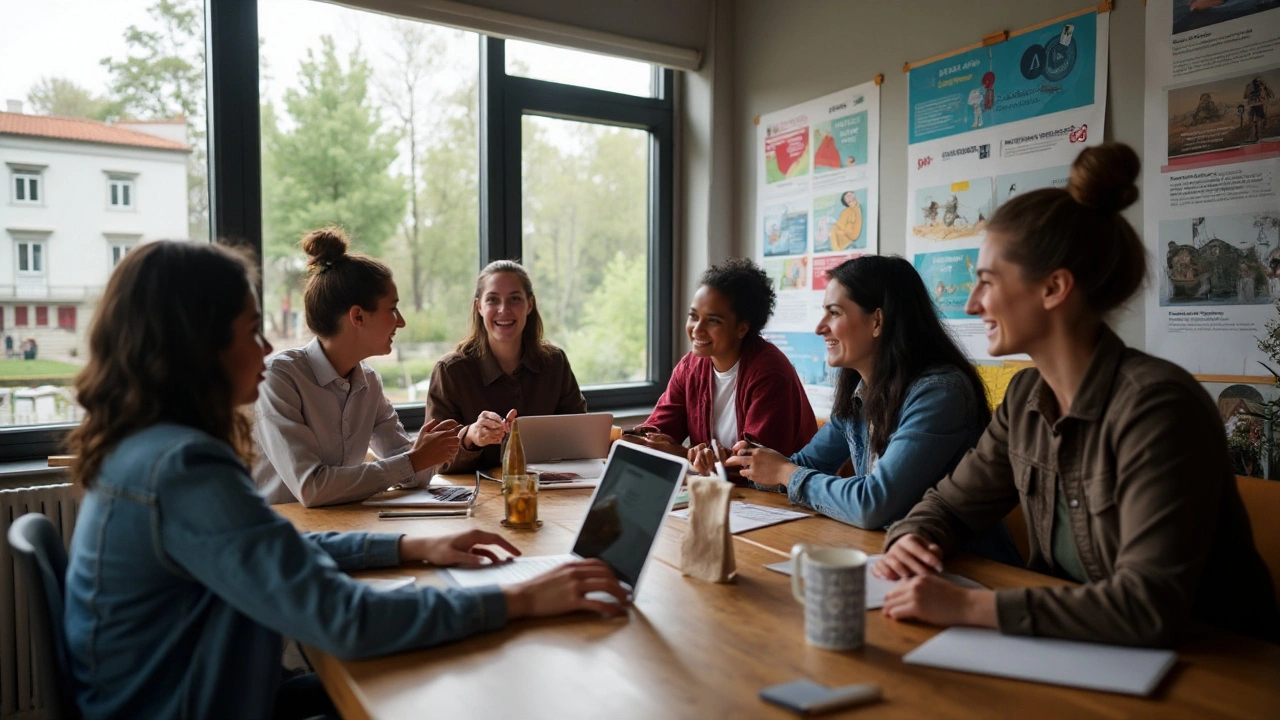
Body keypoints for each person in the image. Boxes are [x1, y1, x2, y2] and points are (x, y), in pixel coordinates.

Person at [62, 240, 628, 720]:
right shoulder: (183, 467)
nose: (264, 348)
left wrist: (412, 544)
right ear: (195, 344)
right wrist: (520, 598)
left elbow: (276, 544)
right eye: (252, 330)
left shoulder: (151, 450)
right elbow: (346, 618)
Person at [874, 143, 1279, 647]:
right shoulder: (1024, 399)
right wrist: (911, 539)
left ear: (1053, 289)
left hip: (1214, 671)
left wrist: (968, 605)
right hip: (1076, 650)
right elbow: (947, 507)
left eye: (986, 282)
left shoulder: (1159, 408)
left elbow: (1147, 606)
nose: (973, 303)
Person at [723, 257, 1015, 556]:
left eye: (833, 313)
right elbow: (805, 465)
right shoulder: (859, 393)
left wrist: (786, 473)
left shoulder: (940, 393)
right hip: (891, 558)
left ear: (877, 321)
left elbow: (873, 504)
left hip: (969, 570)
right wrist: (747, 463)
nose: (820, 328)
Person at [253, 227, 461, 507]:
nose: (401, 322)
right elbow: (313, 488)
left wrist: (427, 453)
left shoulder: (369, 383)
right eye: (393, 309)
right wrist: (414, 459)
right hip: (282, 538)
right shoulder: (278, 378)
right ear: (358, 316)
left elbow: (415, 475)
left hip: (343, 529)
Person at [630, 258, 817, 474]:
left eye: (713, 321)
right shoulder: (689, 367)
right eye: (693, 316)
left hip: (780, 497)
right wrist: (644, 439)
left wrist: (680, 453)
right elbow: (660, 428)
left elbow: (755, 463)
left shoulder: (770, 371)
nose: (696, 329)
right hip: (724, 491)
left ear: (742, 328)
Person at [427, 260, 587, 473]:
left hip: (547, 490)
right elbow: (433, 460)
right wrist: (471, 436)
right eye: (493, 299)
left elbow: (580, 436)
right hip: (479, 499)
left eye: (514, 299)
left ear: (530, 305)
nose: (504, 309)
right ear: (479, 307)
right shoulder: (450, 371)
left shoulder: (555, 363)